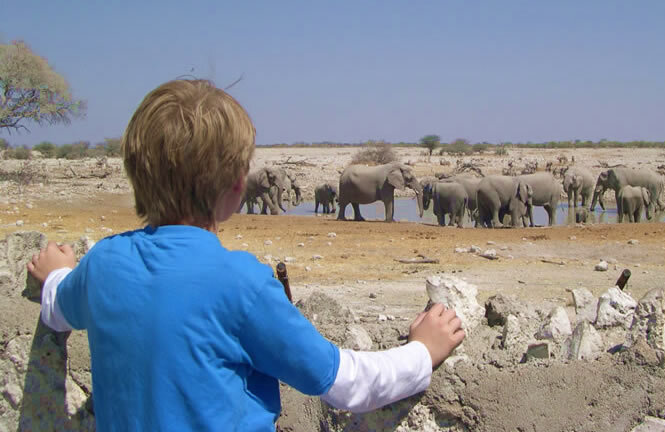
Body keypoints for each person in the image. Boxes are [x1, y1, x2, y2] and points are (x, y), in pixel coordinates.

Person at [27, 79, 465, 431]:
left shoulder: (102, 264)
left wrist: (56, 274)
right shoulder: (243, 284)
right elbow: (345, 385)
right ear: (240, 186)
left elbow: (57, 307)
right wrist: (422, 352)